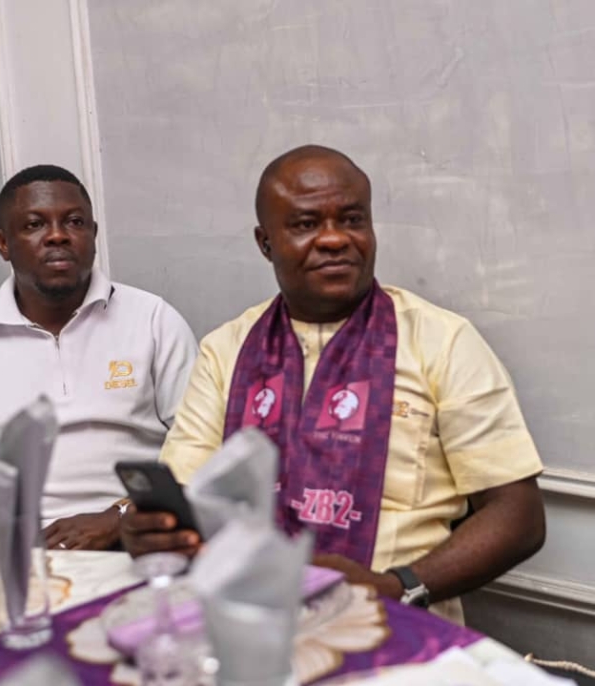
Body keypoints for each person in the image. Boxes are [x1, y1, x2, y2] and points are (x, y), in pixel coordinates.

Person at [122, 145, 545, 623]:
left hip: (397, 624)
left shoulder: (442, 342)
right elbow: (185, 493)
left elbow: (520, 516)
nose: (334, 239)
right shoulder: (226, 350)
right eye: (306, 224)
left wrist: (398, 587)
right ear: (265, 243)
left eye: (352, 220)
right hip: (248, 621)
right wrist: (155, 530)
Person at [0, 165, 197, 550]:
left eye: (74, 222)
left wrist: (119, 519)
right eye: (34, 225)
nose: (57, 235)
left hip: (140, 535)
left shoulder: (154, 321)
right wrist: (31, 548)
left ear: (93, 234)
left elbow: (198, 449)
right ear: (3, 243)